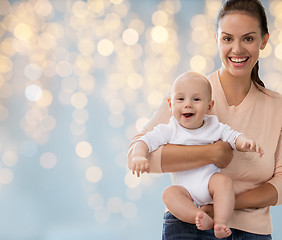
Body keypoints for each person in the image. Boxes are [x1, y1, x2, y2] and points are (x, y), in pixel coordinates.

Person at [127, 0, 282, 239]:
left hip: (253, 232)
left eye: (248, 39)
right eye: (228, 38)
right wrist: (211, 153)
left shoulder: (277, 107)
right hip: (188, 226)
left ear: (264, 40)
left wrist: (222, 207)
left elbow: (280, 185)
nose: (237, 49)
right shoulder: (189, 94)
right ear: (217, 39)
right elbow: (139, 153)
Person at [131, 71, 264, 238]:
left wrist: (245, 142)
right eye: (180, 99)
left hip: (209, 183)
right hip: (185, 191)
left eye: (196, 99)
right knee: (169, 194)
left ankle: (220, 221)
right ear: (170, 104)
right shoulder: (169, 130)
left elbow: (232, 136)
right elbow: (143, 141)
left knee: (223, 182)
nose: (188, 105)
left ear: (209, 106)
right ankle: (197, 216)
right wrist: (139, 156)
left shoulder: (213, 125)